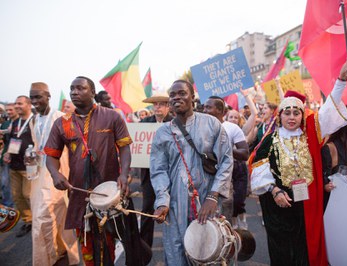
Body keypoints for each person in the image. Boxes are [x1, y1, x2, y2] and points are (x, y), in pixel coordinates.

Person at [250, 58, 347, 265]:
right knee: (283, 255)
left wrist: (341, 80)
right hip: (280, 206)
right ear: (280, 116)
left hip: (306, 206)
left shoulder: (310, 135)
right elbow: (259, 168)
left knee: (304, 253)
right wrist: (275, 191)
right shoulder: (270, 140)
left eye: (296, 113)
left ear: (302, 115)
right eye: (287, 112)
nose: (291, 117)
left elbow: (327, 112)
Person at [45, 76, 146, 266]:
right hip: (79, 195)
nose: (74, 92)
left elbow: (124, 147)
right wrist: (55, 173)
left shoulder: (112, 116)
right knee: (88, 245)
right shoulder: (62, 123)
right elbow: (51, 155)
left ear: (92, 92)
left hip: (109, 191)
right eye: (72, 88)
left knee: (112, 241)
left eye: (80, 88)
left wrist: (124, 173)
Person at [151, 80, 233, 265]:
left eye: (182, 93)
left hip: (207, 201)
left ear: (193, 97)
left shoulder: (211, 124)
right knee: (176, 251)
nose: (177, 97)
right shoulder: (163, 132)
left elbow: (226, 160)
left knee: (208, 250)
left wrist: (212, 197)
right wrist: (162, 201)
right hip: (174, 204)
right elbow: (159, 170)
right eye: (172, 95)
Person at [29, 82, 79, 266]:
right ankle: (66, 255)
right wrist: (31, 156)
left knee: (42, 220)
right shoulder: (34, 120)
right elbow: (38, 146)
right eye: (32, 97)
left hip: (58, 175)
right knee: (59, 218)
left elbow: (74, 148)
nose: (35, 101)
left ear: (48, 96)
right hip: (38, 177)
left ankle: (44, 261)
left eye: (38, 97)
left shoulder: (61, 118)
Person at [204, 96, 249, 228]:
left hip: (226, 179)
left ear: (220, 110)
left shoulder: (231, 128)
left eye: (208, 107)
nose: (204, 110)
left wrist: (226, 148)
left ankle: (230, 237)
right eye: (204, 107)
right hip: (205, 179)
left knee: (224, 218)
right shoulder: (198, 128)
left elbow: (244, 153)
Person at [139, 92, 174, 248]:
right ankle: (144, 247)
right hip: (149, 173)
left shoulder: (174, 123)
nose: (157, 107)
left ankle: (175, 243)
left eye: (161, 104)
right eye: (155, 104)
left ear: (168, 106)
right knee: (147, 208)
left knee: (172, 208)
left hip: (170, 173)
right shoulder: (144, 123)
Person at [3, 96, 34, 237]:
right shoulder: (16, 122)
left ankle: (40, 218)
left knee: (28, 195)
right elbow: (15, 139)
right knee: (17, 196)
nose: (17, 106)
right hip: (14, 166)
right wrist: (8, 153)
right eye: (16, 103)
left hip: (29, 166)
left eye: (20, 103)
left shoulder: (35, 120)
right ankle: (28, 221)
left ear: (28, 105)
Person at [0, 103, 18, 207]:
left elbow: (17, 140)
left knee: (7, 183)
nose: (9, 112)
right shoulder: (6, 123)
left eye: (11, 110)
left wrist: (9, 153)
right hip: (5, 157)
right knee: (4, 183)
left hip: (15, 159)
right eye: (8, 110)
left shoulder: (20, 123)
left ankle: (9, 206)